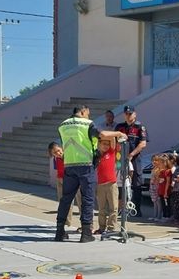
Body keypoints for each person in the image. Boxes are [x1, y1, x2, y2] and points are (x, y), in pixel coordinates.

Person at [55, 104, 126, 242]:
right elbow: (103, 134)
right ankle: (86, 233)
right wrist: (119, 133)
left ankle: (59, 231)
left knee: (66, 199)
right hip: (86, 166)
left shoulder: (62, 125)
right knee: (87, 199)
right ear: (83, 111)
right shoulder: (86, 124)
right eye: (88, 113)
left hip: (69, 165)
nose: (89, 116)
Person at [115, 105, 148, 217]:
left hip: (134, 159)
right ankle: (121, 209)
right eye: (126, 113)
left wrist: (131, 155)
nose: (128, 115)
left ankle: (136, 209)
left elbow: (143, 143)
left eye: (130, 113)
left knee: (136, 184)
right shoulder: (119, 127)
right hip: (120, 159)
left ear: (135, 114)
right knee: (120, 183)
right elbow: (114, 142)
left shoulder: (140, 127)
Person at [95, 138, 118, 234]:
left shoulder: (111, 152)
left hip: (111, 184)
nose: (106, 146)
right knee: (101, 208)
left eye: (107, 144)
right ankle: (101, 227)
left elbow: (113, 138)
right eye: (104, 144)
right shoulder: (96, 155)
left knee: (113, 208)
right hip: (100, 185)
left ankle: (111, 228)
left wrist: (105, 135)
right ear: (99, 144)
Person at [48, 142, 73, 228]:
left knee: (69, 201)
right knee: (62, 201)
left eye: (58, 151)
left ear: (62, 148)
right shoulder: (56, 158)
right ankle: (64, 220)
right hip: (60, 178)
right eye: (55, 153)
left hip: (68, 179)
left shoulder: (67, 156)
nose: (57, 154)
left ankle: (68, 222)